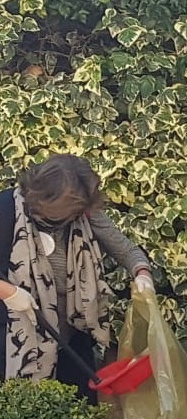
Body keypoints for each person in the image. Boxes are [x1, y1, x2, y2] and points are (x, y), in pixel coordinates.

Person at [0, 153, 153, 402]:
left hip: (72, 339)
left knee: (80, 412)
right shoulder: (6, 210)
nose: (76, 217)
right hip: (14, 340)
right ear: (44, 199)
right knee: (25, 413)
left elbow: (127, 251)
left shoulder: (83, 212)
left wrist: (142, 274)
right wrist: (10, 293)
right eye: (70, 211)